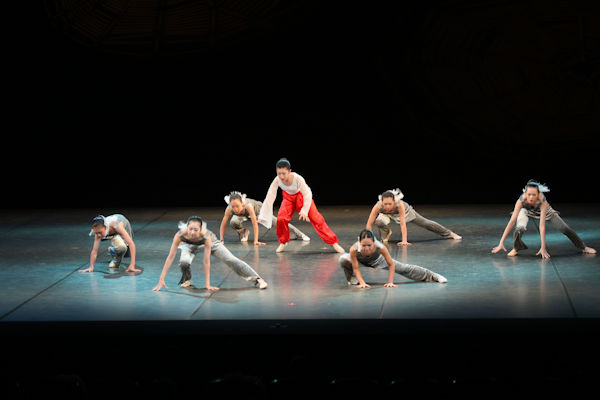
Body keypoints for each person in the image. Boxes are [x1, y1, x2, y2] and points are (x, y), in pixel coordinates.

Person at [152, 216, 268, 291]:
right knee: (184, 262)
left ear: (200, 229)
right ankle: (187, 278)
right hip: (189, 246)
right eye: (190, 229)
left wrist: (207, 284)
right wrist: (161, 279)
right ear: (187, 227)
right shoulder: (180, 235)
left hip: (212, 244)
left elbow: (206, 261)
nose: (192, 232)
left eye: (195, 230)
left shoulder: (205, 236)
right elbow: (170, 257)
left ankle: (258, 279)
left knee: (230, 259)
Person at [257, 158, 344, 253]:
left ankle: (333, 242)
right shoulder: (277, 180)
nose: (281, 176)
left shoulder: (298, 178)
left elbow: (307, 194)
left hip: (301, 197)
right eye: (279, 173)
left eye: (284, 173)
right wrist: (263, 214)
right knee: (281, 219)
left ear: (289, 171)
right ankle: (283, 241)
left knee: (317, 219)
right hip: (288, 198)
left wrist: (304, 211)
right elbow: (270, 196)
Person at [492, 180, 596, 259]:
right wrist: (501, 242)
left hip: (546, 212)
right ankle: (517, 247)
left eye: (534, 195)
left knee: (565, 228)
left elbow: (542, 226)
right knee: (520, 227)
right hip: (526, 210)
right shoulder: (521, 201)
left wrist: (543, 247)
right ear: (525, 193)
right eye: (529, 194)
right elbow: (512, 221)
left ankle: (583, 247)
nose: (531, 197)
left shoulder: (542, 201)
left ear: (538, 194)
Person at [339, 229, 447, 288]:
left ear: (374, 243)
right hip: (360, 261)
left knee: (404, 268)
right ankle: (352, 279)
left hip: (377, 260)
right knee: (343, 259)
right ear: (359, 243)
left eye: (369, 245)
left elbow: (391, 264)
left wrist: (390, 282)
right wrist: (362, 283)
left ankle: (434, 276)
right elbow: (356, 268)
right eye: (363, 245)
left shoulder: (380, 247)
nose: (366, 248)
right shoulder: (354, 249)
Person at [366, 188, 462, 245]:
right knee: (379, 221)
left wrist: (404, 241)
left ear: (394, 202)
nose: (387, 206)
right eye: (385, 204)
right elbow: (369, 223)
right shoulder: (378, 206)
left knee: (426, 223)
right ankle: (386, 232)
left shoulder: (400, 205)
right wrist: (368, 239)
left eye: (389, 204)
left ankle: (450, 233)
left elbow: (403, 224)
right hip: (387, 215)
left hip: (407, 212)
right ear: (381, 202)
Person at [219, 191, 309, 246]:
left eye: (237, 206)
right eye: (233, 206)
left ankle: (301, 234)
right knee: (233, 222)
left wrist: (256, 241)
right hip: (244, 215)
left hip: (259, 211)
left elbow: (255, 224)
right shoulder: (229, 209)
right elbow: (223, 223)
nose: (235, 209)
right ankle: (244, 232)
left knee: (277, 222)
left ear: (242, 204)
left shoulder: (248, 206)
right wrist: (221, 240)